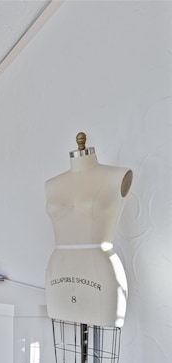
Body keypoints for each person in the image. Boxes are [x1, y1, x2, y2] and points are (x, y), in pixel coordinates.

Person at [45, 133, 133, 328]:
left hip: (100, 272)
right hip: (58, 273)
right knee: (64, 355)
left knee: (106, 354)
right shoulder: (51, 185)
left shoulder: (116, 176)